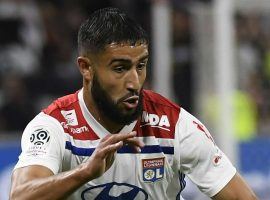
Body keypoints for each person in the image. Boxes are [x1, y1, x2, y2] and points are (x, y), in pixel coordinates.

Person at [10, 7, 257, 200]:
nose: (134, 82)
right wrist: (84, 173)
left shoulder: (175, 126)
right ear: (86, 68)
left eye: (141, 66)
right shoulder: (55, 125)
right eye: (120, 68)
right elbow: (20, 194)